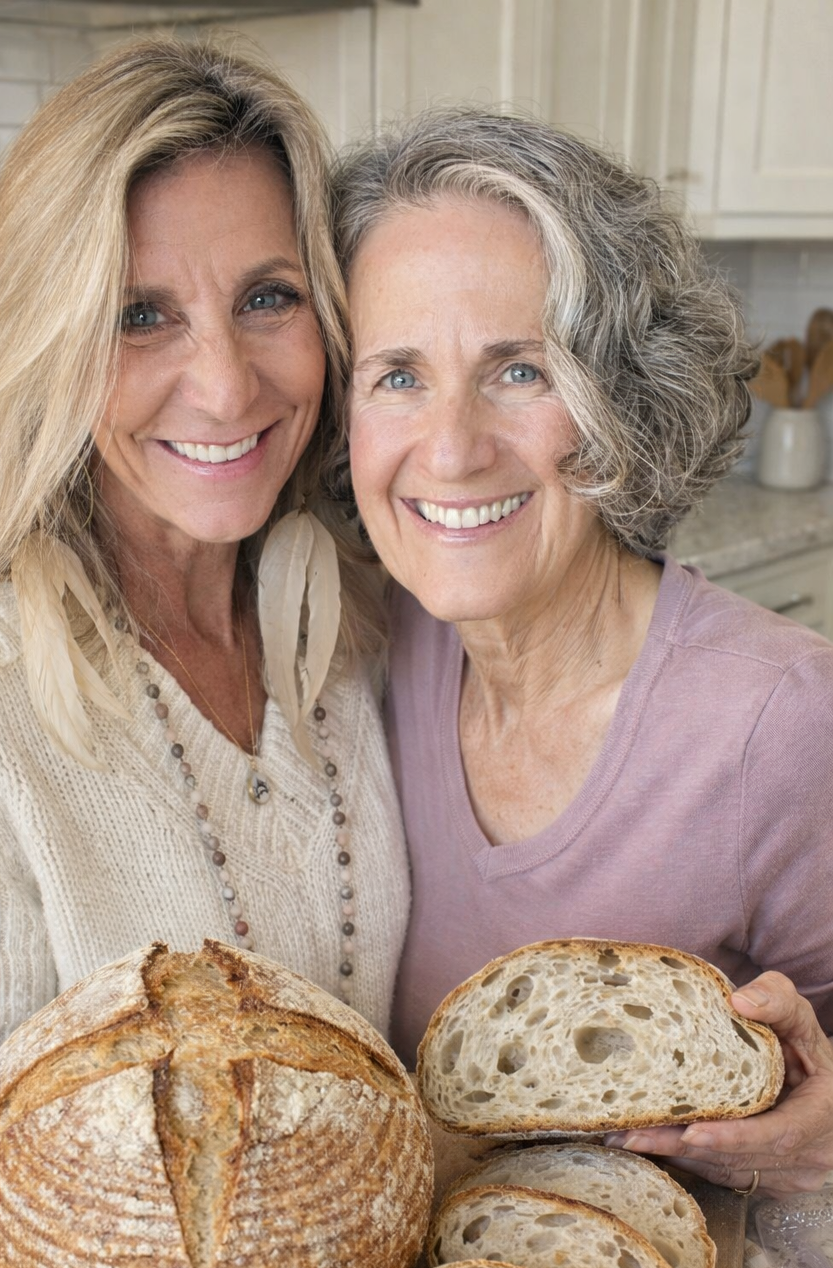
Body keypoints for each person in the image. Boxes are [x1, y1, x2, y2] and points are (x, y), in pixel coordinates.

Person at [0, 35, 410, 1268]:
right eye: (141, 314)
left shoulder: (344, 615)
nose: (226, 383)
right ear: (45, 337)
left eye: (269, 297)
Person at [333, 110, 833, 1201]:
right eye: (397, 375)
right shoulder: (366, 651)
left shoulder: (779, 720)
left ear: (623, 398)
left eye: (519, 370)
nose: (454, 448)